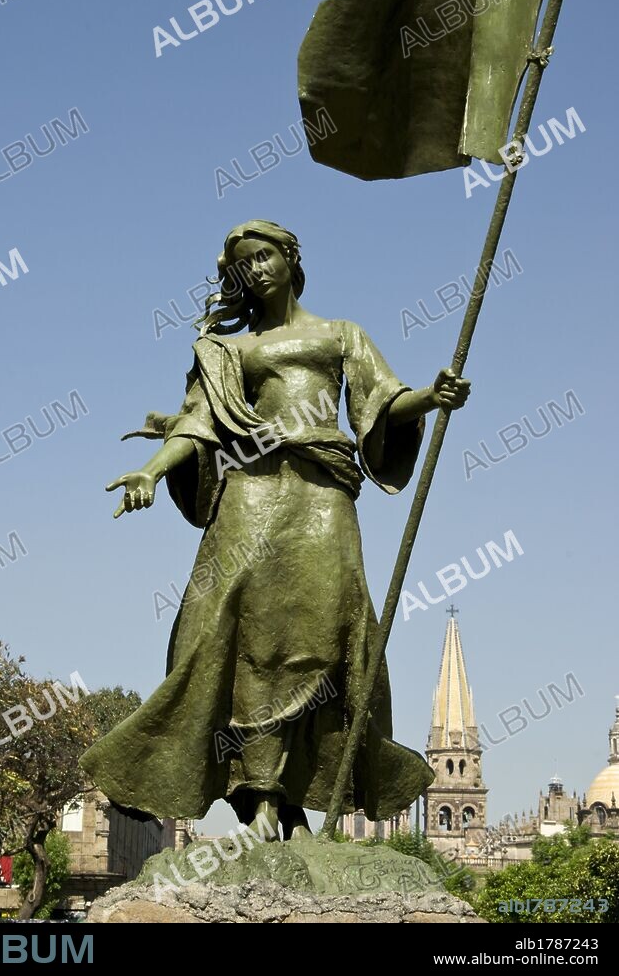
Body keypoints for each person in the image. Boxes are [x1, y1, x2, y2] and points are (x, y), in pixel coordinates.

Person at [80, 220, 470, 840]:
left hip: (323, 495)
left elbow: (379, 404)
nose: (256, 270)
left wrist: (431, 396)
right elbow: (197, 425)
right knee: (234, 635)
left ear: (291, 259)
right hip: (251, 493)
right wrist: (152, 472)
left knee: (322, 635)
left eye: (265, 257)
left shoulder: (342, 335)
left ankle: (294, 790)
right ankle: (257, 792)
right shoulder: (227, 351)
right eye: (244, 264)